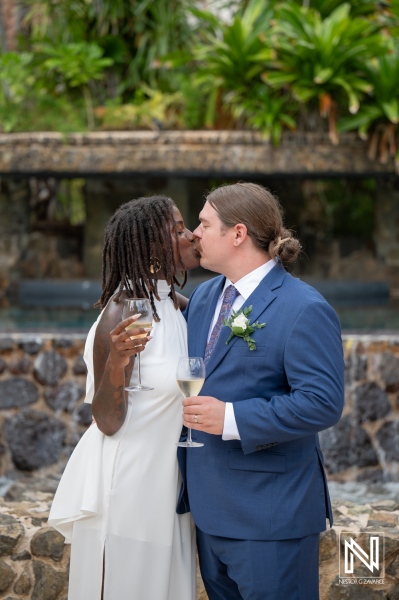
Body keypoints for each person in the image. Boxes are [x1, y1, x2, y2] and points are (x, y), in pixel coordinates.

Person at [177, 182, 345, 600]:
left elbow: (322, 403)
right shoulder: (202, 298)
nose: (194, 234)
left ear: (237, 233)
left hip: (271, 518)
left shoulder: (304, 308)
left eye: (203, 223)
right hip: (208, 513)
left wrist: (231, 418)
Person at [49, 195, 200, 600]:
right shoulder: (122, 315)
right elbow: (107, 421)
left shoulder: (173, 303)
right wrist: (116, 361)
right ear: (151, 245)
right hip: (129, 488)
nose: (190, 237)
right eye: (179, 230)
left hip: (165, 484)